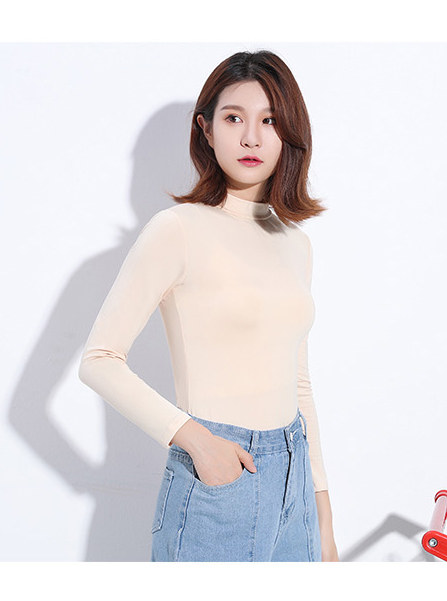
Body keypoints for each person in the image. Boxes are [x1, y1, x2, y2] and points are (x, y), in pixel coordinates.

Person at [79, 49, 339, 562]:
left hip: (296, 481)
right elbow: (99, 360)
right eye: (234, 118)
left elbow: (299, 383)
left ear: (289, 132)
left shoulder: (295, 242)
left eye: (269, 121)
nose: (251, 138)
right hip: (220, 479)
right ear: (206, 129)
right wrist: (198, 442)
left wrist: (323, 514)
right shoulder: (177, 230)